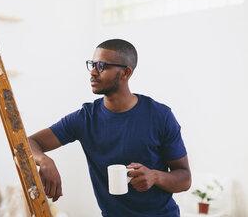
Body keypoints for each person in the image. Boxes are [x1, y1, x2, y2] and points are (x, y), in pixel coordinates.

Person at [28, 39, 191, 217]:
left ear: (125, 73)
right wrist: (44, 161)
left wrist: (155, 176)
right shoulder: (85, 118)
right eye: (92, 64)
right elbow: (29, 142)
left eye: (101, 66)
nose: (92, 72)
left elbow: (184, 178)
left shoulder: (160, 115)